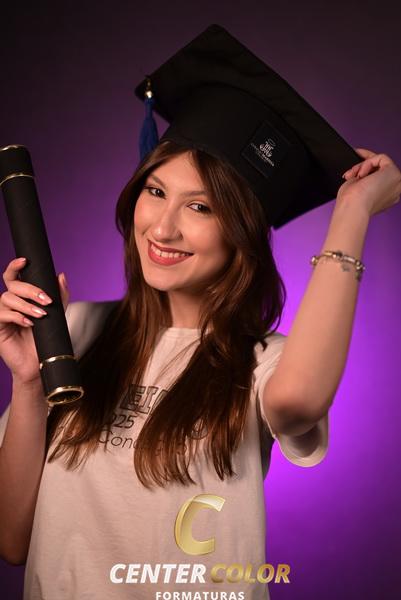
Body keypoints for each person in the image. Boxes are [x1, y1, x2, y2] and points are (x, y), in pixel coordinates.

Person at [0, 24, 400, 600]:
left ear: (241, 234)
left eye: (201, 207)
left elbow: (297, 401)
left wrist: (353, 210)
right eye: (156, 191)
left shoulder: (263, 364)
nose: (163, 229)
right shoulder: (76, 332)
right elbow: (13, 540)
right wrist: (28, 383)